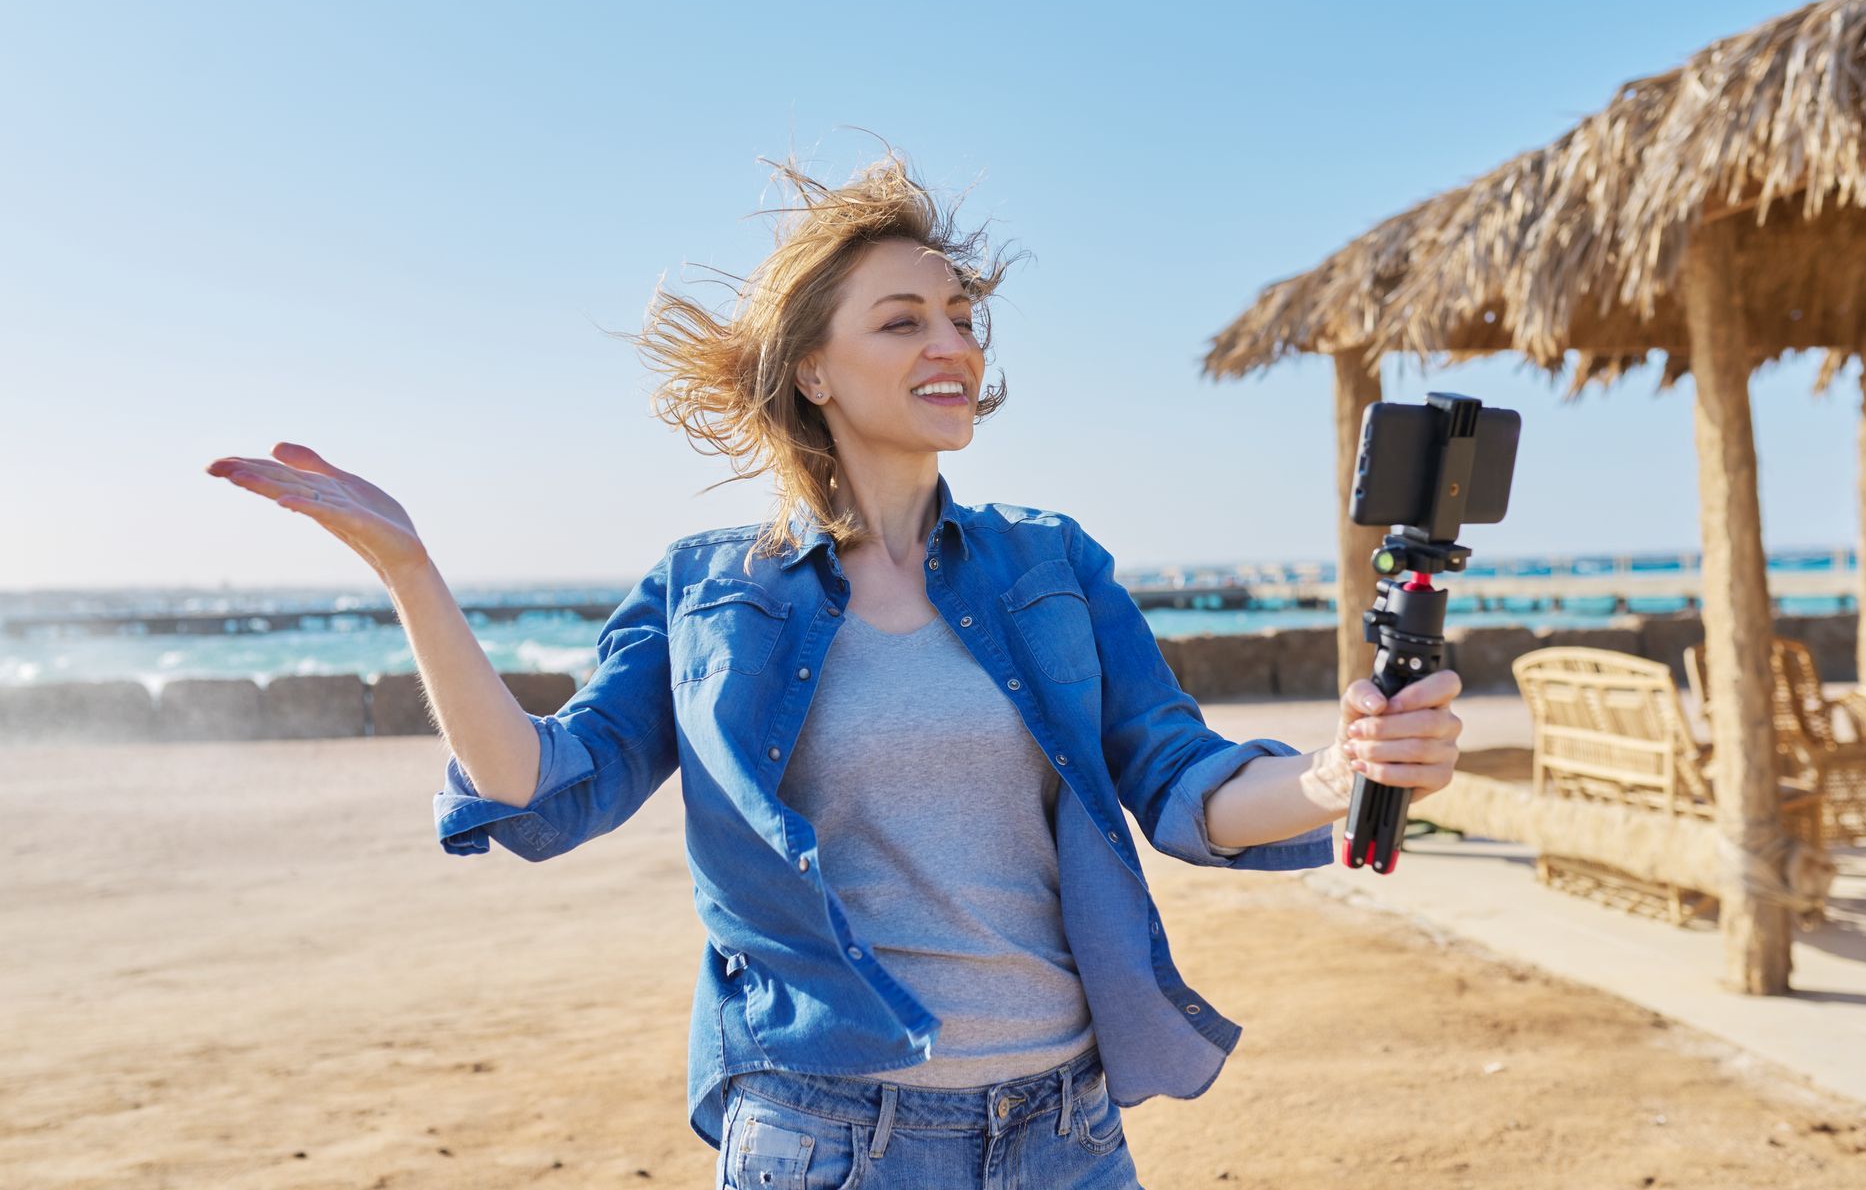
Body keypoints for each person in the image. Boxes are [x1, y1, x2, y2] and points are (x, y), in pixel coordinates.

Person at [204, 143, 1462, 1189]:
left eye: (964, 319)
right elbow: (541, 780)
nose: (953, 345)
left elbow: (1181, 778)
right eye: (903, 319)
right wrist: (414, 576)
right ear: (813, 367)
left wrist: (1333, 772)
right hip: (829, 1135)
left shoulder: (1052, 565)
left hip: (1064, 1130)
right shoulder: (712, 590)